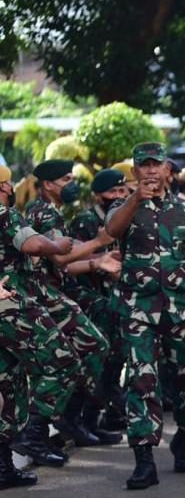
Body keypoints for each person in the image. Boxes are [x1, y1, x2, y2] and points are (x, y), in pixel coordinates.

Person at [106, 142, 185, 489]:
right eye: (145, 166)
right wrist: (135, 199)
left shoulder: (184, 212)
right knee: (141, 380)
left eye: (157, 165)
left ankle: (184, 437)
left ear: (168, 169)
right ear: (136, 171)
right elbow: (112, 230)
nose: (152, 171)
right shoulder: (124, 206)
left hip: (180, 306)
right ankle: (144, 459)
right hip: (138, 308)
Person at [25, 159, 117, 451]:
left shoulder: (50, 210)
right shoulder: (44, 213)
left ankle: (73, 419)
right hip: (44, 296)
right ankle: (58, 423)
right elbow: (61, 258)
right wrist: (98, 242)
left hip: (54, 292)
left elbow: (63, 265)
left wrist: (97, 261)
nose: (72, 184)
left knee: (83, 353)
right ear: (48, 184)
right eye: (65, 179)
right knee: (91, 347)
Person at [1, 165, 83, 475]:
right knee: (63, 361)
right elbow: (32, 244)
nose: (10, 188)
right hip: (11, 305)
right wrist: (56, 246)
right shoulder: (4, 214)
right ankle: (33, 435)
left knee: (9, 383)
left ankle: (4, 467)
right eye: (7, 184)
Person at [63, 169, 130, 442]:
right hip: (85, 296)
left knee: (114, 358)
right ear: (97, 195)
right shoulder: (86, 220)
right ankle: (77, 421)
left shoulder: (121, 219)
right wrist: (103, 262)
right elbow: (73, 257)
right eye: (111, 192)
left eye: (121, 191)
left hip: (108, 296)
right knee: (97, 356)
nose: (117, 197)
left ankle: (94, 419)